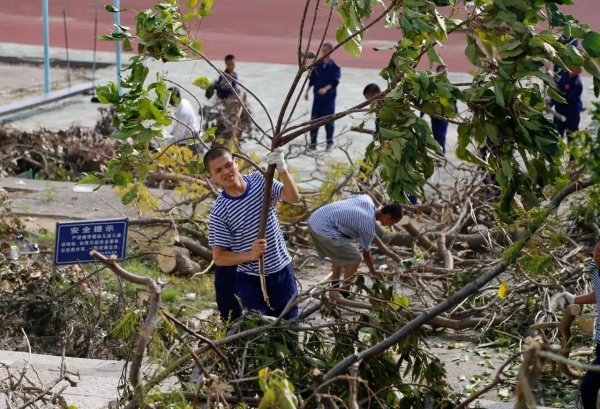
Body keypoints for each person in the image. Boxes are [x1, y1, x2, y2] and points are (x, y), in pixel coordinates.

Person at [205, 146, 301, 319]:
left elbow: (293, 197)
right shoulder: (220, 211)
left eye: (228, 165)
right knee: (257, 335)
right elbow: (219, 257)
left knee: (290, 327)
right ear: (211, 177)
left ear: (236, 162)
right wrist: (250, 255)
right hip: (250, 280)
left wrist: (282, 169)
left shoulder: (259, 180)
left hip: (282, 271)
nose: (226, 172)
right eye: (218, 170)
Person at [307, 195, 403, 292]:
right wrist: (373, 271)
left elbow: (344, 198)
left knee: (339, 253)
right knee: (356, 259)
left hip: (316, 218)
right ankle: (345, 291)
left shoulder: (366, 199)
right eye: (393, 223)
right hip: (323, 229)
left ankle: (334, 286)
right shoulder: (368, 226)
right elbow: (366, 254)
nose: (391, 225)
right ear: (388, 218)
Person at [549, 242, 600, 409]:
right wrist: (574, 299)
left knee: (588, 387)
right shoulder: (594, 266)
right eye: (597, 250)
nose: (597, 256)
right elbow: (598, 293)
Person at [362, 83, 419, 205]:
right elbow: (379, 128)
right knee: (366, 165)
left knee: (403, 172)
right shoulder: (378, 108)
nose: (370, 103)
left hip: (400, 145)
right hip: (384, 145)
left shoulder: (393, 104)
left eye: (370, 99)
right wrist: (377, 135)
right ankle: (362, 193)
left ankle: (411, 204)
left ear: (376, 95)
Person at [305, 43, 342, 151]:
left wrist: (325, 89)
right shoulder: (317, 64)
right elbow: (312, 79)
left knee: (328, 120)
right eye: (323, 50)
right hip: (317, 98)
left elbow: (335, 81)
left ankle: (329, 142)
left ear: (331, 51)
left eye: (326, 50)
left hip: (329, 99)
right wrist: (307, 92)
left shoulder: (335, 66)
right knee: (314, 120)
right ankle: (313, 142)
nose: (324, 52)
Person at [549, 66, 583, 140]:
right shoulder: (562, 75)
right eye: (573, 69)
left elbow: (565, 99)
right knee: (556, 137)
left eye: (576, 71)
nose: (573, 72)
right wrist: (550, 103)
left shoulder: (578, 84)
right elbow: (556, 90)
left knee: (572, 138)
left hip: (572, 114)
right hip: (559, 113)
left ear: (578, 72)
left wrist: (554, 100)